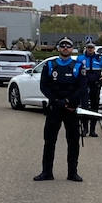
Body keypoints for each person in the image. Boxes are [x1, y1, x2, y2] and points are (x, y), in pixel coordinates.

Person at [35, 37, 87, 182]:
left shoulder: (78, 66)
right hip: (54, 109)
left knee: (73, 142)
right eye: (62, 46)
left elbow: (82, 88)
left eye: (68, 46)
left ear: (72, 49)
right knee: (49, 141)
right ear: (58, 48)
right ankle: (46, 172)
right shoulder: (49, 65)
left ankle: (72, 173)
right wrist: (55, 101)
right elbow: (43, 86)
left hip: (71, 109)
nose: (65, 48)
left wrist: (68, 101)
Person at [76, 40, 102, 137]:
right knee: (84, 108)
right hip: (84, 86)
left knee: (94, 108)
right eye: (88, 47)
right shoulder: (80, 58)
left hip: (95, 86)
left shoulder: (99, 58)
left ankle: (92, 130)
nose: (90, 49)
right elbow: (75, 70)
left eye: (92, 47)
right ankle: (85, 129)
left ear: (94, 48)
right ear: (86, 48)